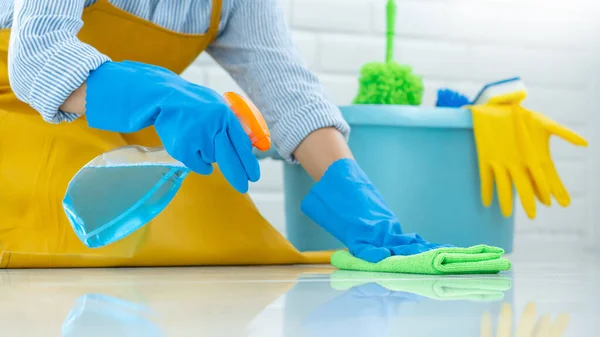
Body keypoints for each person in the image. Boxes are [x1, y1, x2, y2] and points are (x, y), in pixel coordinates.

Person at [0, 0, 438, 268]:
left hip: (120, 143)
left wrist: (354, 196)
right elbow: (38, 54)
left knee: (229, 241)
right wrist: (165, 96)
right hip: (16, 127)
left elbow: (290, 93)